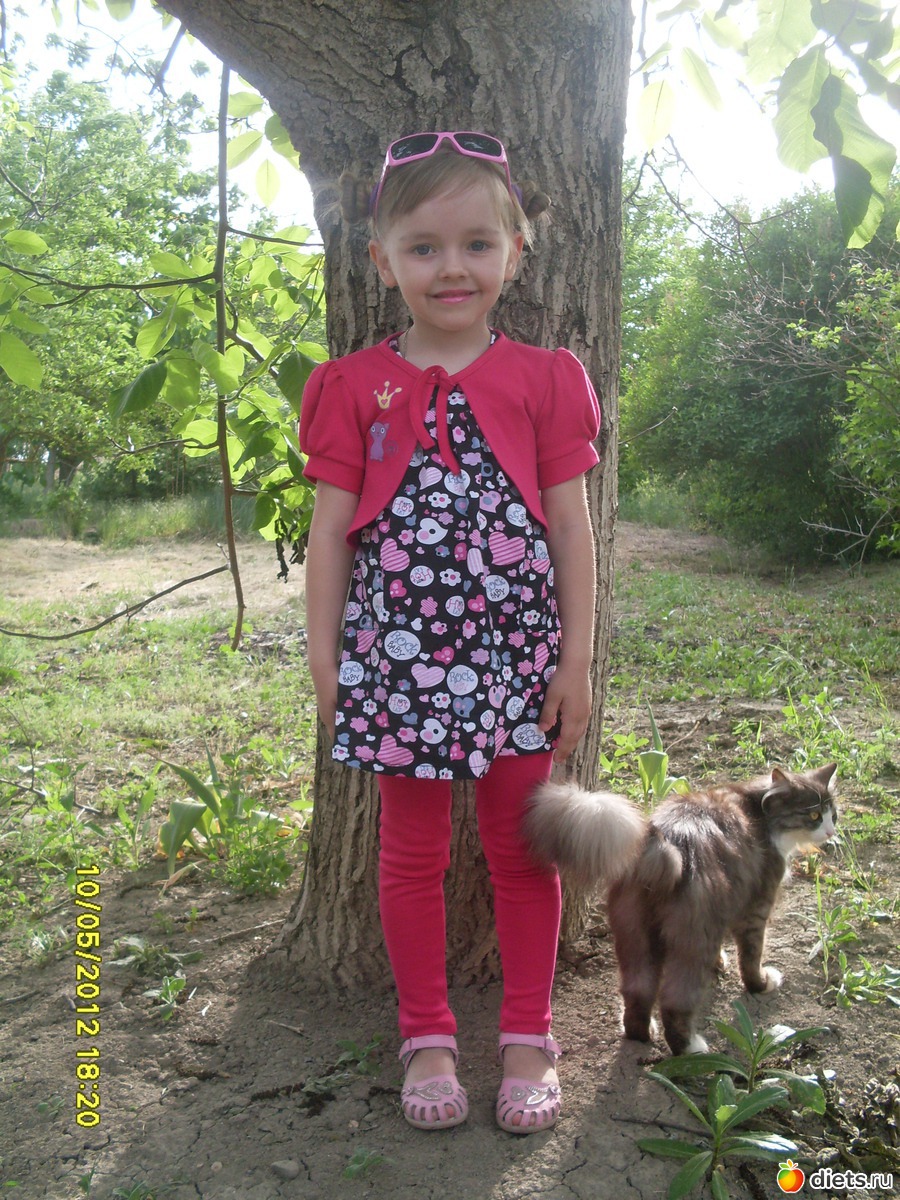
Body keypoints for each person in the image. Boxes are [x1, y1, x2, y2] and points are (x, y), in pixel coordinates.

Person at [300, 131, 600, 1134]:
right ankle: (426, 1033)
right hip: (397, 666)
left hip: (519, 665)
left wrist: (575, 660)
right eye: (423, 247)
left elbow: (570, 528)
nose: (452, 267)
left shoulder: (546, 378)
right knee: (410, 852)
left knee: (524, 850)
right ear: (381, 262)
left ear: (516, 251)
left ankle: (528, 1035)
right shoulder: (352, 387)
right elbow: (331, 534)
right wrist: (326, 658)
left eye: (477, 243)